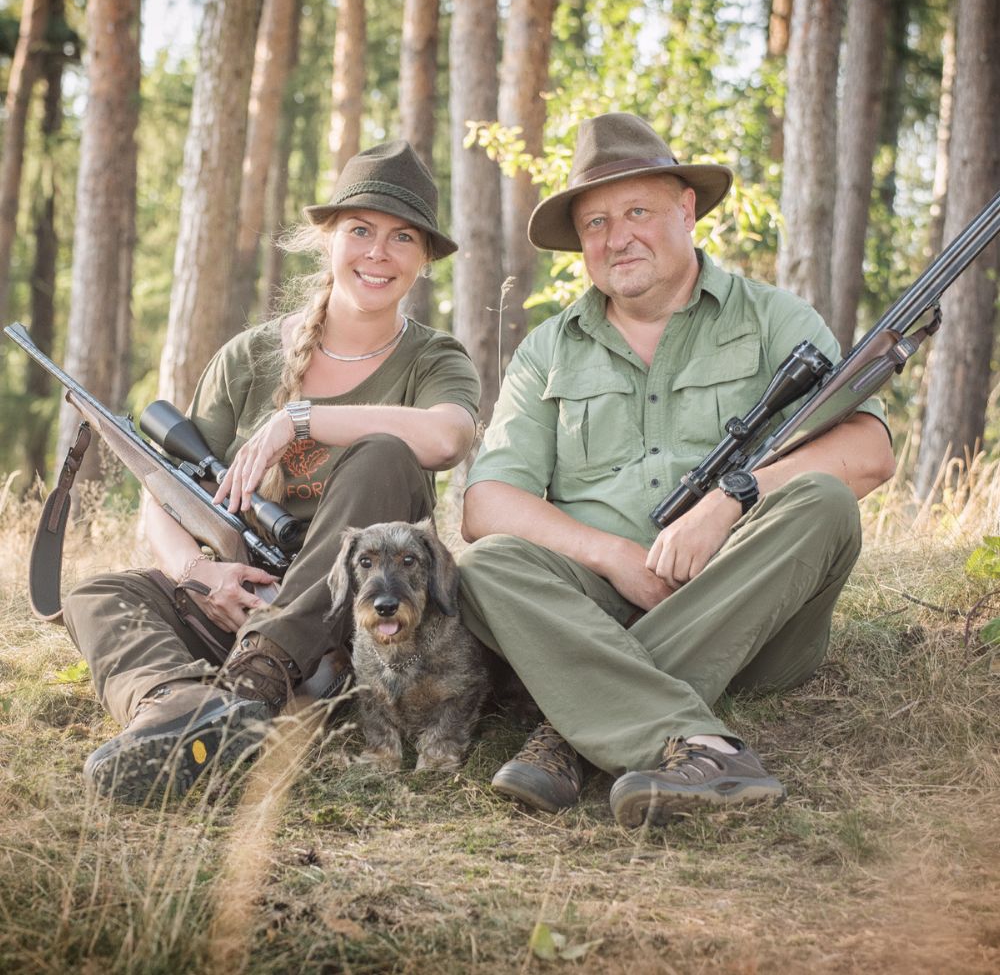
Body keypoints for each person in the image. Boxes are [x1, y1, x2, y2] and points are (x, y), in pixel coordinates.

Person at [457, 112, 896, 827]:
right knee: (489, 568)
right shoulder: (549, 348)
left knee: (823, 500)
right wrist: (615, 556)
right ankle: (701, 749)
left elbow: (870, 452)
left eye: (637, 210)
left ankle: (576, 725)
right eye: (595, 222)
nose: (616, 236)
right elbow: (487, 504)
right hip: (594, 606)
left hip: (750, 616)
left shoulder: (773, 318)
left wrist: (731, 499)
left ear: (686, 209)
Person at [63, 140, 481, 802]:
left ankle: (256, 682)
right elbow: (169, 491)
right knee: (96, 594)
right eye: (360, 231)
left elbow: (447, 436)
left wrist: (302, 419)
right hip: (244, 598)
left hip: (361, 622)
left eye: (403, 237)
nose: (378, 252)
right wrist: (200, 574)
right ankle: (182, 716)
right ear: (328, 240)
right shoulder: (249, 356)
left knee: (384, 452)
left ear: (424, 259)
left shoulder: (434, 358)